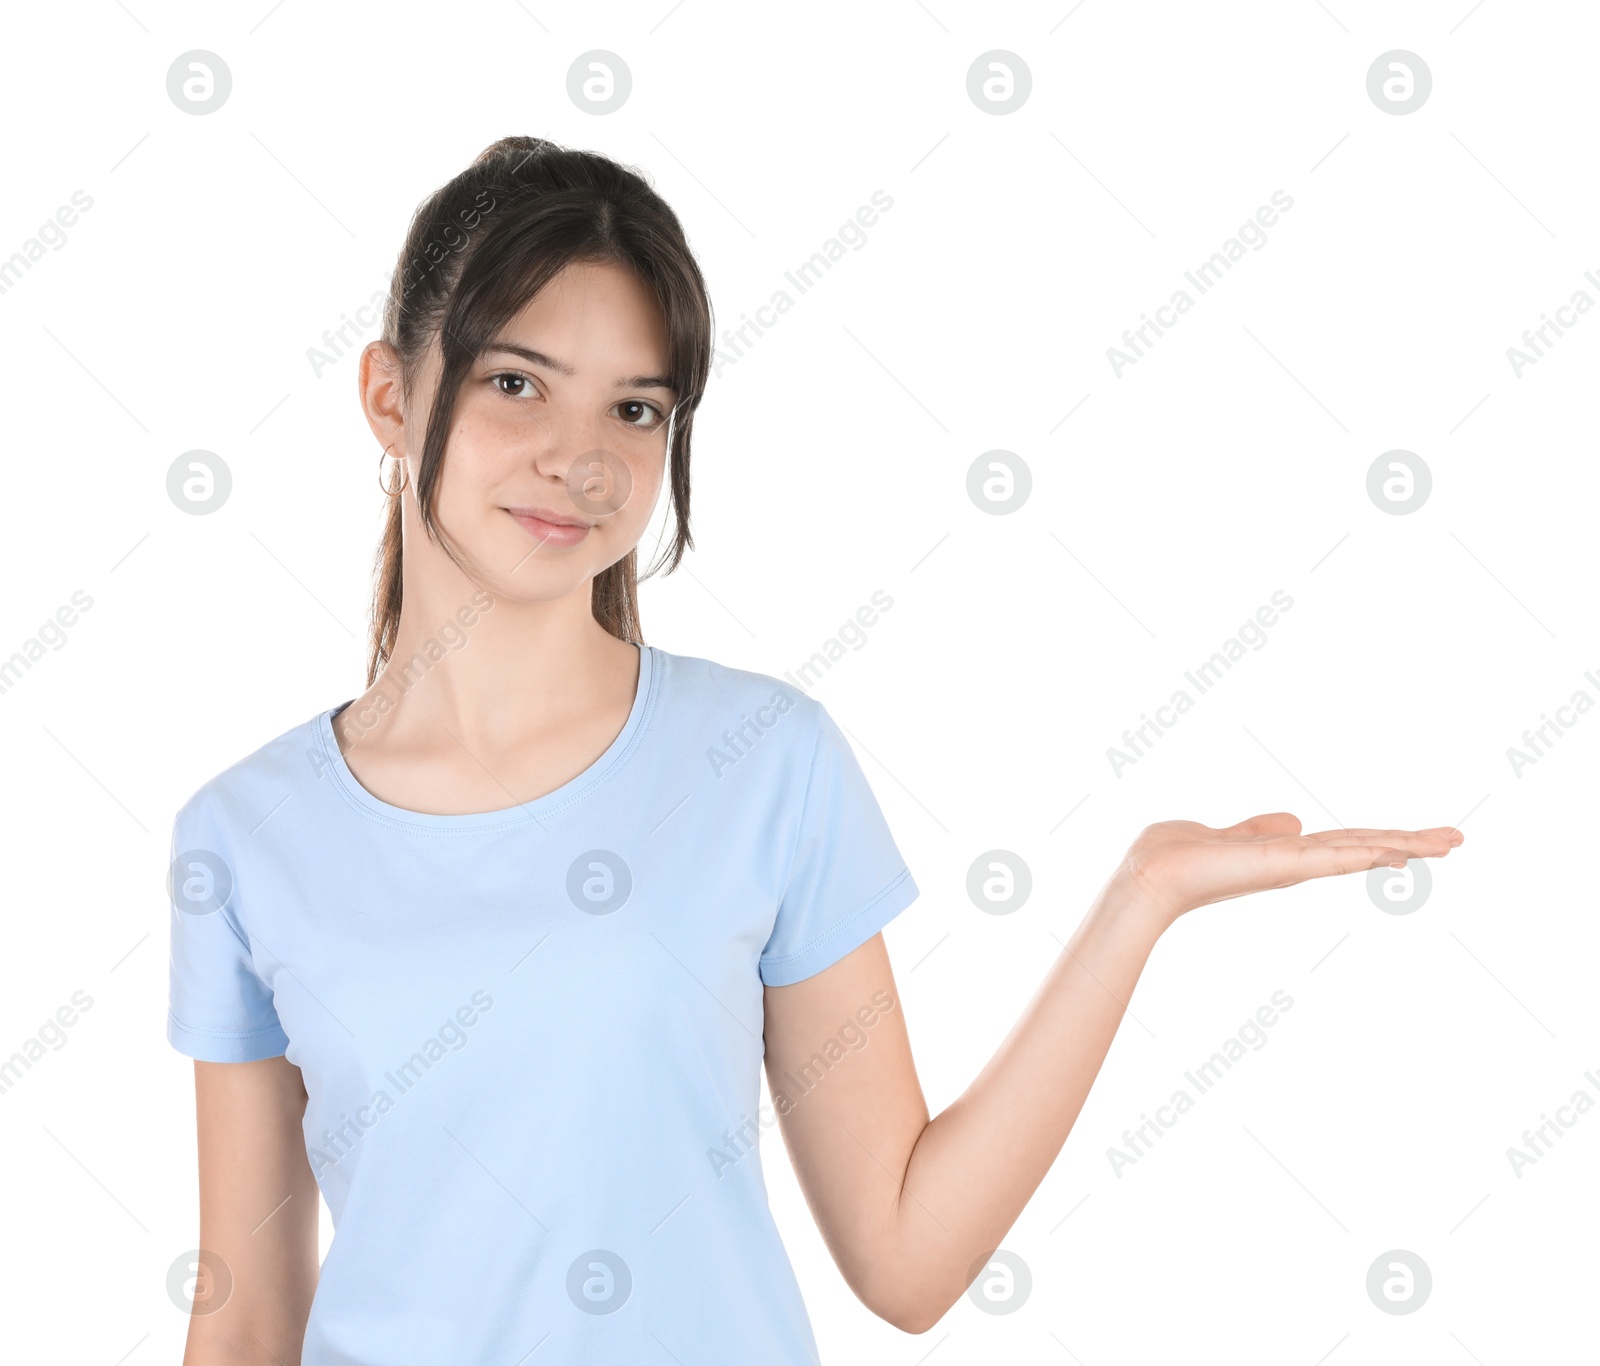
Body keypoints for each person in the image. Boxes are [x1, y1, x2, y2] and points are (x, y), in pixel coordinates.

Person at [165, 136, 1463, 1365]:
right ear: (391, 396)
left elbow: (905, 1257)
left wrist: (1143, 900)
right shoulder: (245, 835)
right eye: (516, 384)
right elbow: (241, 1323)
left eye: (636, 408)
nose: (581, 457)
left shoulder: (764, 765)